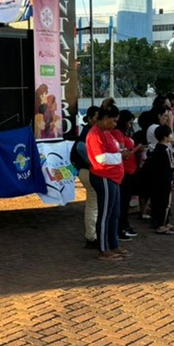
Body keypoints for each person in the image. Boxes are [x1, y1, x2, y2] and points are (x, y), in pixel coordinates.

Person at [86, 100, 129, 261]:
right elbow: (101, 158)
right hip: (103, 176)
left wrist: (120, 152)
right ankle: (103, 249)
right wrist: (120, 156)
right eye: (114, 120)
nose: (115, 124)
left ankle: (113, 244)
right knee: (105, 213)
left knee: (114, 213)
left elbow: (112, 150)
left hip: (113, 177)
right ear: (105, 119)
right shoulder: (95, 134)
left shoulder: (106, 132)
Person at [145, 124, 174, 235]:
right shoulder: (165, 149)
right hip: (164, 179)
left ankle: (164, 222)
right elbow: (170, 165)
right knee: (164, 202)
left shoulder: (159, 147)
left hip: (159, 179)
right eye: (170, 134)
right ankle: (161, 224)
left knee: (160, 201)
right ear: (165, 137)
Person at [71, 106, 100, 249]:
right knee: (93, 204)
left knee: (93, 204)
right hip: (89, 171)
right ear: (89, 119)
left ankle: (93, 235)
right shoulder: (88, 134)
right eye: (97, 118)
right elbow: (81, 149)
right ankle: (91, 236)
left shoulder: (89, 133)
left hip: (86, 171)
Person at [114, 110, 141, 241]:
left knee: (126, 201)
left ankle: (124, 225)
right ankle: (120, 228)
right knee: (122, 202)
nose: (130, 126)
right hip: (123, 170)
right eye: (129, 123)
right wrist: (136, 149)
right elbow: (124, 153)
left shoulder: (124, 133)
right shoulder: (117, 133)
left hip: (130, 169)